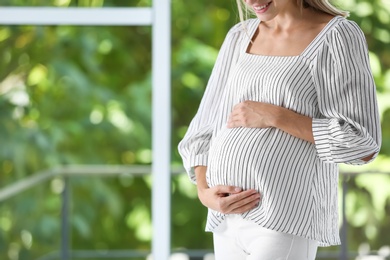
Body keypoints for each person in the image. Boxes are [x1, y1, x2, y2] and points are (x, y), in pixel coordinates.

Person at [178, 0, 382, 259]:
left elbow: (361, 141)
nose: (251, 2)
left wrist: (277, 116)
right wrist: (205, 193)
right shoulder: (240, 35)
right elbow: (204, 128)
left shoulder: (336, 36)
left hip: (285, 218)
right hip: (226, 218)